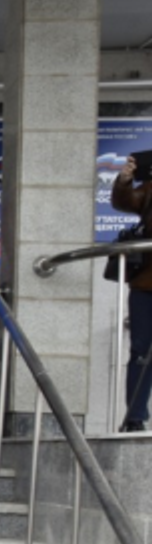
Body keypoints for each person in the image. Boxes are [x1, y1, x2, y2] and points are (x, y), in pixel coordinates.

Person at [110, 154, 152, 433]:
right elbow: (125, 201)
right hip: (146, 286)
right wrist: (125, 179)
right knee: (141, 351)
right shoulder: (149, 189)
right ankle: (135, 417)